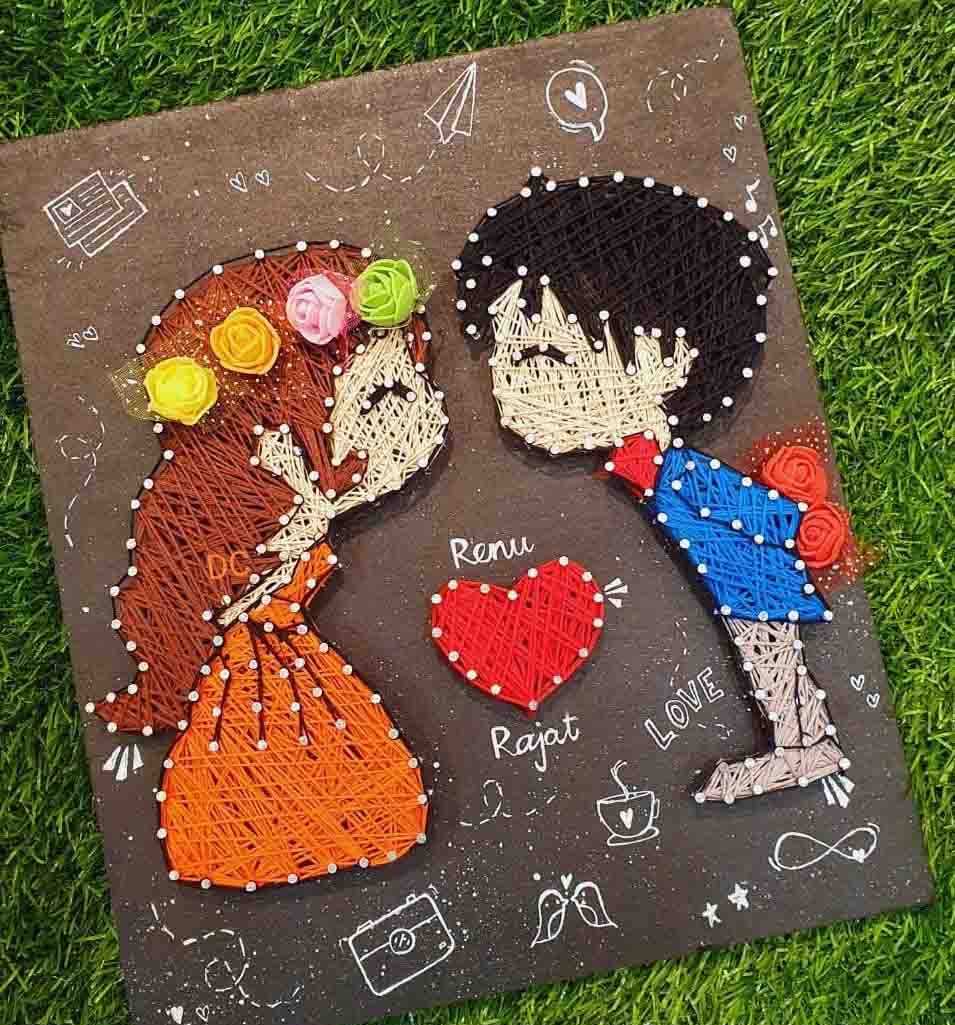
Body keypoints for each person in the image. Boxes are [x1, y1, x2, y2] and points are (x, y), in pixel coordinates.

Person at [454, 170, 850, 805]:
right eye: (505, 352)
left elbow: (744, 506)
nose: (507, 383)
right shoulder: (644, 472)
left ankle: (803, 746)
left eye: (543, 359)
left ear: (668, 361)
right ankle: (802, 743)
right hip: (735, 575)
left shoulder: (680, 472)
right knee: (763, 652)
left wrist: (793, 524)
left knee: (768, 653)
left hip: (750, 575)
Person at [93, 243, 448, 888]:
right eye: (387, 394)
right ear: (276, 434)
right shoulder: (239, 592)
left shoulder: (282, 561)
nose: (418, 415)